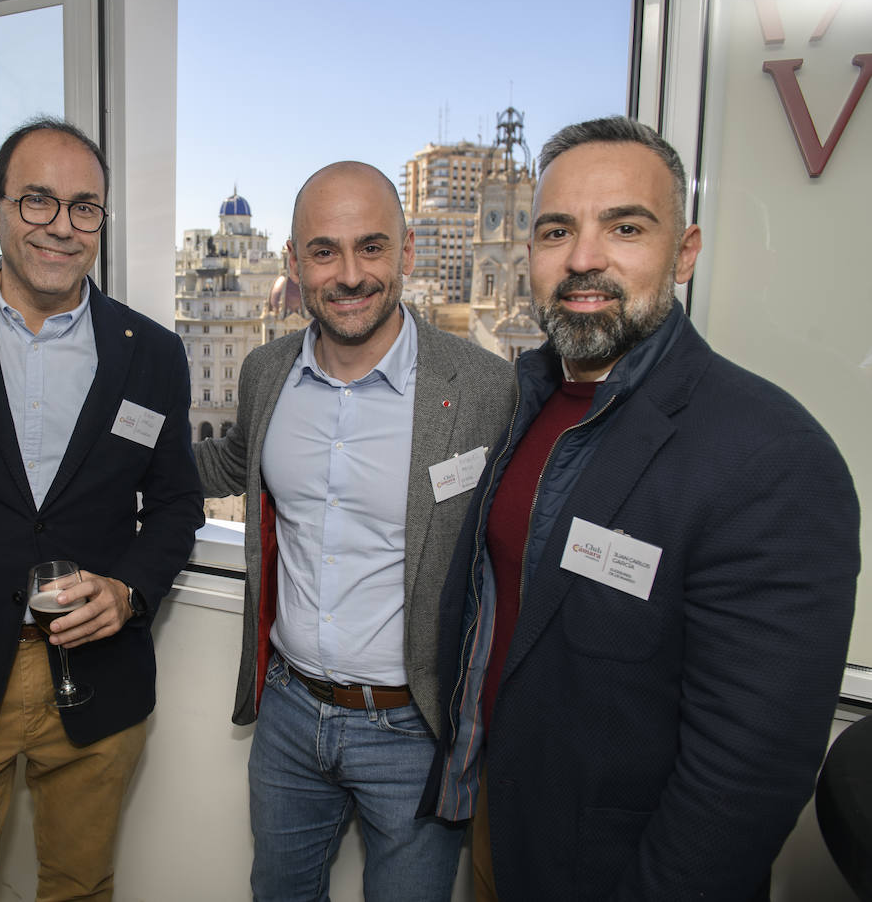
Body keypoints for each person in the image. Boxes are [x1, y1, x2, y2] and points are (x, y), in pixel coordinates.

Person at [425, 116, 861, 901]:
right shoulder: (523, 401)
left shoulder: (774, 458)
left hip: (622, 869)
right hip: (505, 824)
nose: (584, 258)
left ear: (685, 252)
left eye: (625, 227)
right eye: (557, 231)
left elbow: (745, 778)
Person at [0, 117, 204, 901]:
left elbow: (175, 507)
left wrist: (128, 590)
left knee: (82, 887)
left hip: (97, 683)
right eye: (37, 201)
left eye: (84, 207)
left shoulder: (152, 352)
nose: (62, 227)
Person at [194, 161, 516, 901]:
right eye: (324, 251)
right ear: (293, 262)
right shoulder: (268, 370)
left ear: (406, 254)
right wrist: (117, 468)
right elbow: (236, 460)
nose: (349, 275)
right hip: (287, 715)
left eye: (371, 248)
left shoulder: (481, 387)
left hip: (413, 730)